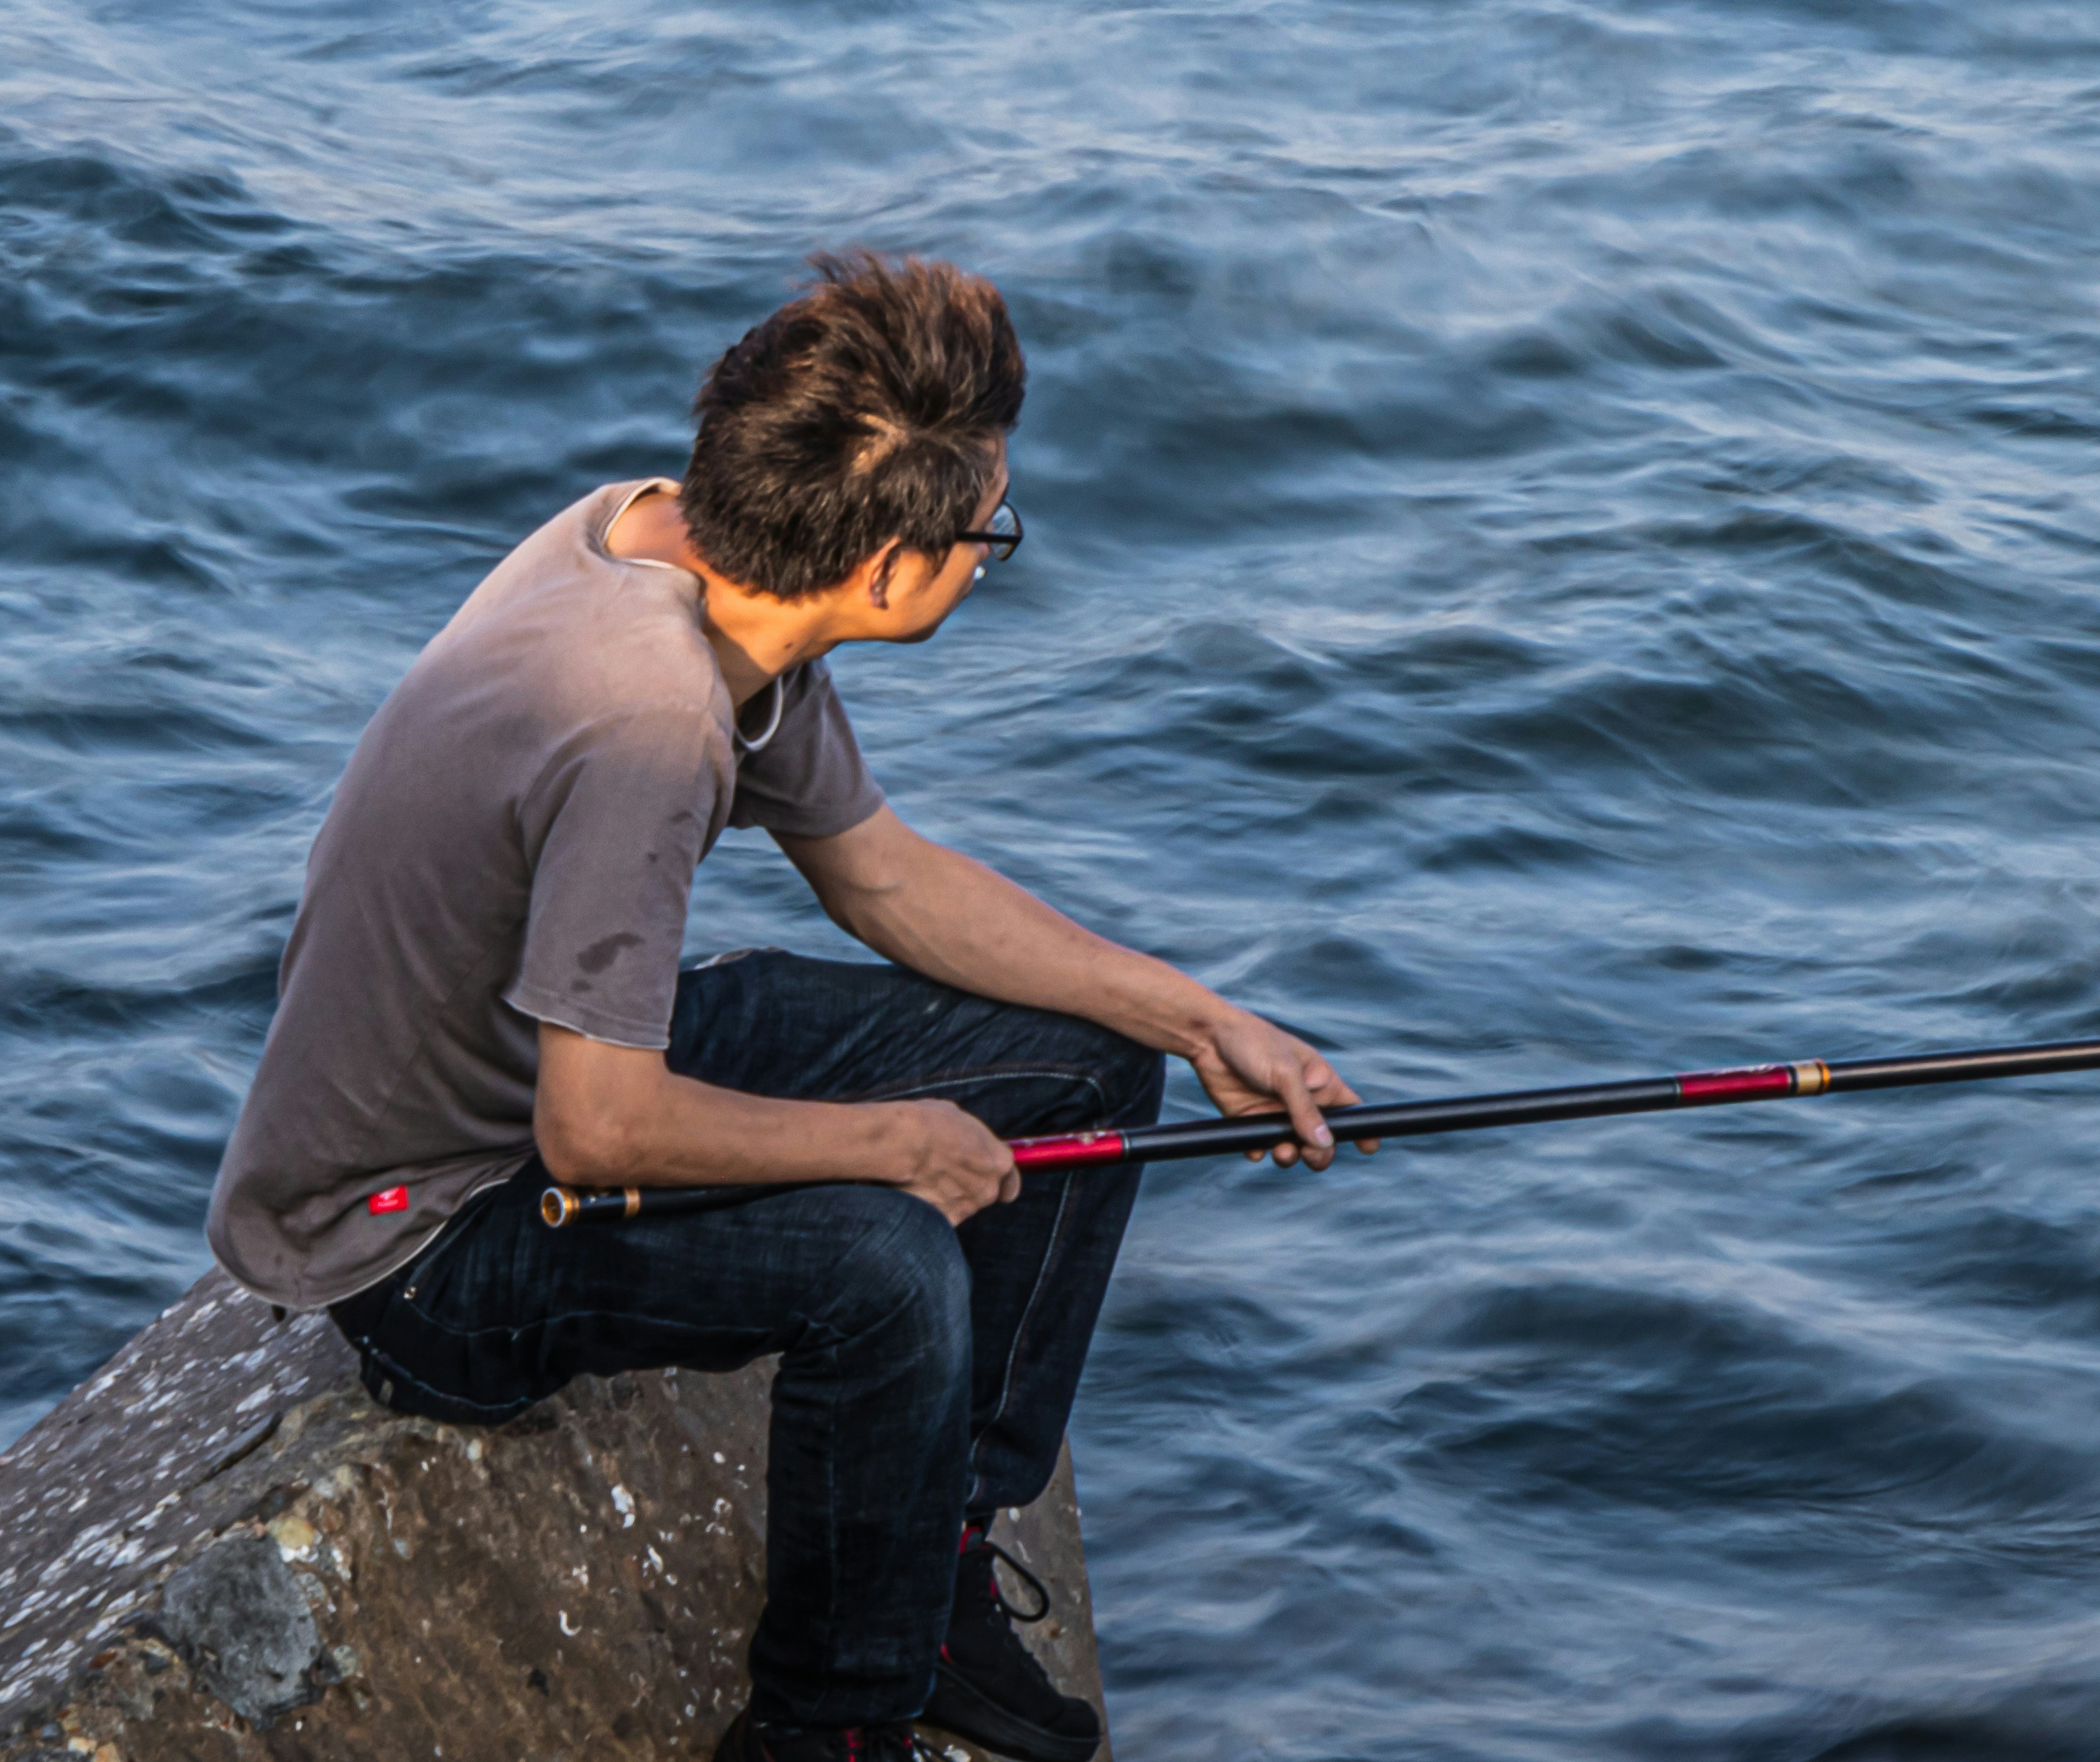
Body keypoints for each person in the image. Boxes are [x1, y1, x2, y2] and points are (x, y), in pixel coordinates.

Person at [206, 252, 1359, 1762]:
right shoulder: (647, 721)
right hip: (422, 1235)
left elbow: (881, 878)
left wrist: (1205, 1021)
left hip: (534, 1081)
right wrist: (890, 1141)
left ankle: (931, 1555)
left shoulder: (674, 549)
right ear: (887, 567)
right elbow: (596, 1122)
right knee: (884, 1267)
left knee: (1088, 1064)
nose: (985, 556)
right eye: (983, 532)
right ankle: (829, 1719)